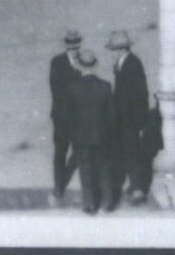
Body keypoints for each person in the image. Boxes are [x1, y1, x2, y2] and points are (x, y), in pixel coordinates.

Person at [106, 29, 154, 207]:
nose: (112, 53)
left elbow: (141, 94)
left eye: (113, 50)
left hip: (131, 120)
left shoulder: (133, 64)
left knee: (133, 155)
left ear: (121, 49)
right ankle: (134, 186)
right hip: (123, 119)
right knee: (127, 154)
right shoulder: (122, 63)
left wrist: (140, 122)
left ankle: (138, 190)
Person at [67, 49, 115, 214]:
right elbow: (111, 115)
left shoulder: (73, 88)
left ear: (79, 67)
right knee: (104, 169)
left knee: (85, 170)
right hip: (102, 136)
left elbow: (69, 115)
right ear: (94, 66)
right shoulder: (105, 87)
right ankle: (107, 202)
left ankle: (90, 203)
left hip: (81, 137)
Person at [48, 29, 85, 200]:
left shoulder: (85, 62)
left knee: (79, 150)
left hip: (79, 117)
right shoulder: (57, 62)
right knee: (60, 152)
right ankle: (59, 186)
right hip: (62, 116)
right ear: (66, 45)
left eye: (76, 45)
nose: (74, 49)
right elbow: (56, 89)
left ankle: (64, 182)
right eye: (70, 46)